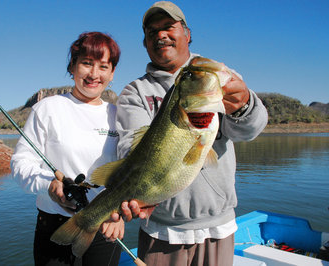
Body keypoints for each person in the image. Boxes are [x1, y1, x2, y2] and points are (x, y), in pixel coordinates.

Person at [113, 1, 268, 266]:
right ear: (145, 42)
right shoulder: (134, 92)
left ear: (187, 33)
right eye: (152, 31)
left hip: (219, 226)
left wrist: (243, 104)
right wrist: (133, 195)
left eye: (168, 27)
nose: (161, 35)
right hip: (162, 231)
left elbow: (248, 131)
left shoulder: (214, 74)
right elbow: (130, 147)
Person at [11, 31, 124, 266]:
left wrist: (118, 213)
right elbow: (20, 164)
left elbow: (127, 172)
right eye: (86, 63)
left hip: (105, 226)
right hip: (55, 225)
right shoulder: (47, 108)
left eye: (103, 66)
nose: (94, 74)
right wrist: (49, 185)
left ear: (112, 73)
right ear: (72, 66)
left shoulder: (118, 116)